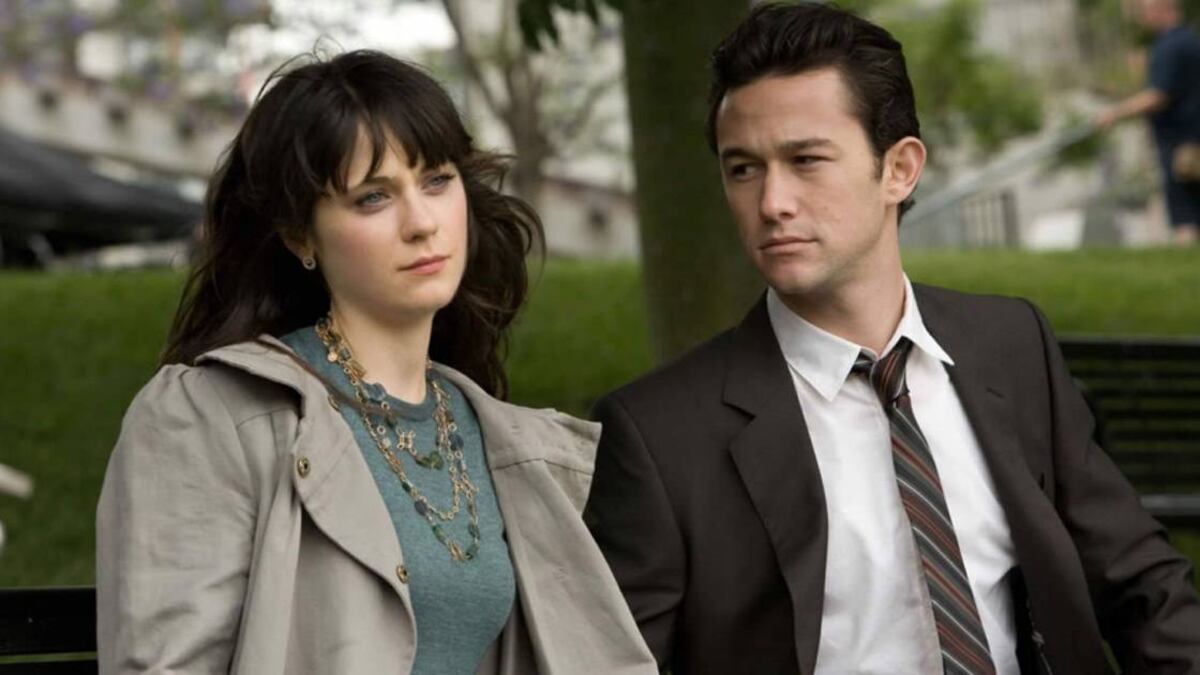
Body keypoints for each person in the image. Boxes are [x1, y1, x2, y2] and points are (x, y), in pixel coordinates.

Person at [583, 4, 1200, 674]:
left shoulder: (1010, 344)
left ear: (900, 169)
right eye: (743, 168)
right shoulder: (659, 436)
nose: (772, 202)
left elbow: (1141, 583)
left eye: (806, 159)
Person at [96, 50, 656, 675]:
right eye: (373, 198)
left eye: (437, 181)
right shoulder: (211, 417)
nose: (422, 223)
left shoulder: (494, 433)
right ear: (300, 235)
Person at [1096, 0, 1200, 246]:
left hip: (1179, 145)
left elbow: (1158, 95)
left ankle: (1185, 265)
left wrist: (1114, 114)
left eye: (1144, 12)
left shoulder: (1168, 46)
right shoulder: (1191, 40)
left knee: (1185, 216)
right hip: (1192, 137)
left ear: (1161, 9)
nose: (1142, 18)